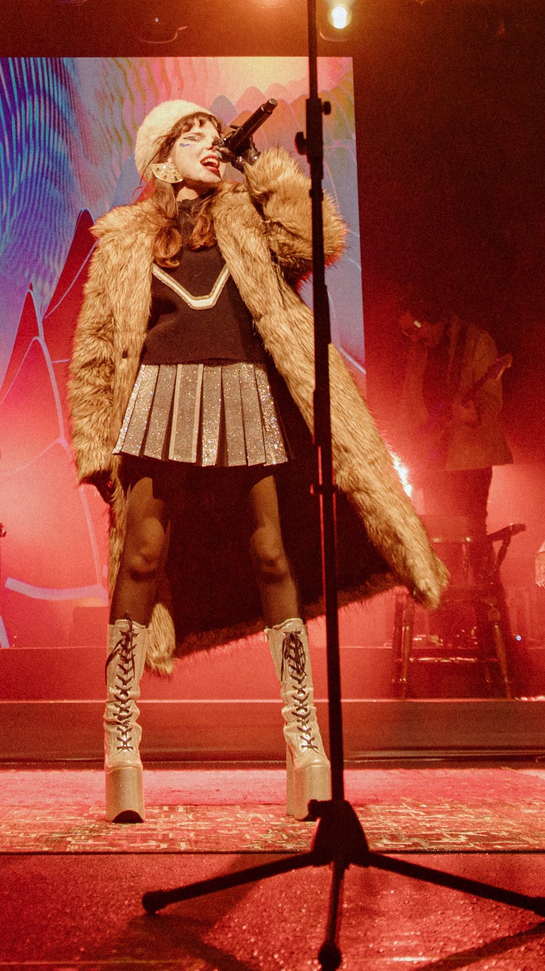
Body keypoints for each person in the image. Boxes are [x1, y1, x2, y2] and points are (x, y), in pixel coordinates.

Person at [68, 99, 445, 823]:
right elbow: (92, 349)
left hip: (245, 392)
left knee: (272, 554)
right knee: (142, 555)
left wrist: (260, 171)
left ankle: (304, 739)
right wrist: (92, 446)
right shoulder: (121, 242)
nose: (211, 143)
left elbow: (319, 240)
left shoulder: (247, 217)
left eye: (216, 134)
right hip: (156, 400)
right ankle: (121, 742)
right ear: (159, 156)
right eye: (194, 135)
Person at [395, 304, 513, 537]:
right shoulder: (418, 351)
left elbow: (491, 400)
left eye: (415, 328)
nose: (414, 337)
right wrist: (405, 449)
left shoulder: (476, 341)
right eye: (406, 333)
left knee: (473, 531)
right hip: (433, 459)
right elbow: (408, 406)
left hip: (470, 458)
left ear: (433, 318)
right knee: (440, 535)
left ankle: (483, 575)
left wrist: (473, 414)